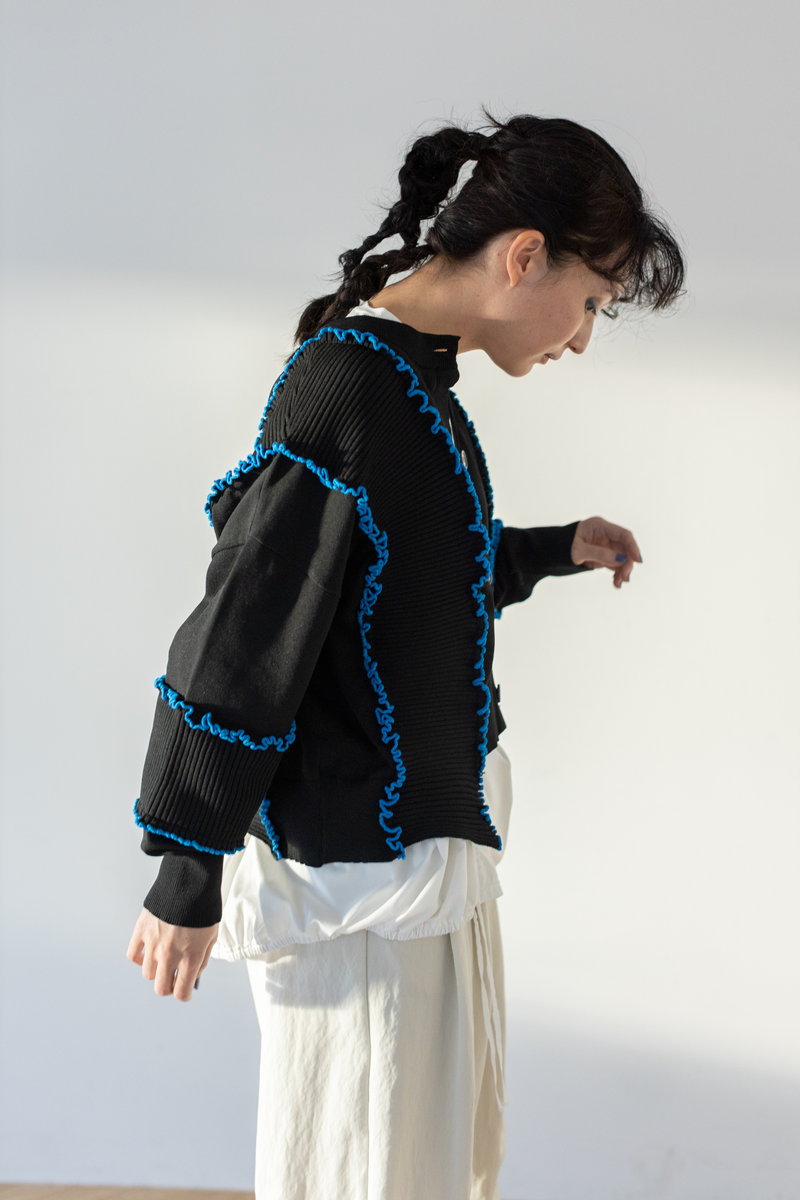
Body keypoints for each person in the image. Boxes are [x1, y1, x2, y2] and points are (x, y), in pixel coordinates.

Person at [126, 106, 685, 1200]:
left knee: (424, 1164)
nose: (579, 338)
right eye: (589, 303)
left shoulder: (409, 383)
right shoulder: (352, 386)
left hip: (412, 866)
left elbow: (404, 580)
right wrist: (187, 869)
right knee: (364, 1169)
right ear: (524, 256)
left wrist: (550, 549)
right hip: (358, 887)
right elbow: (248, 631)